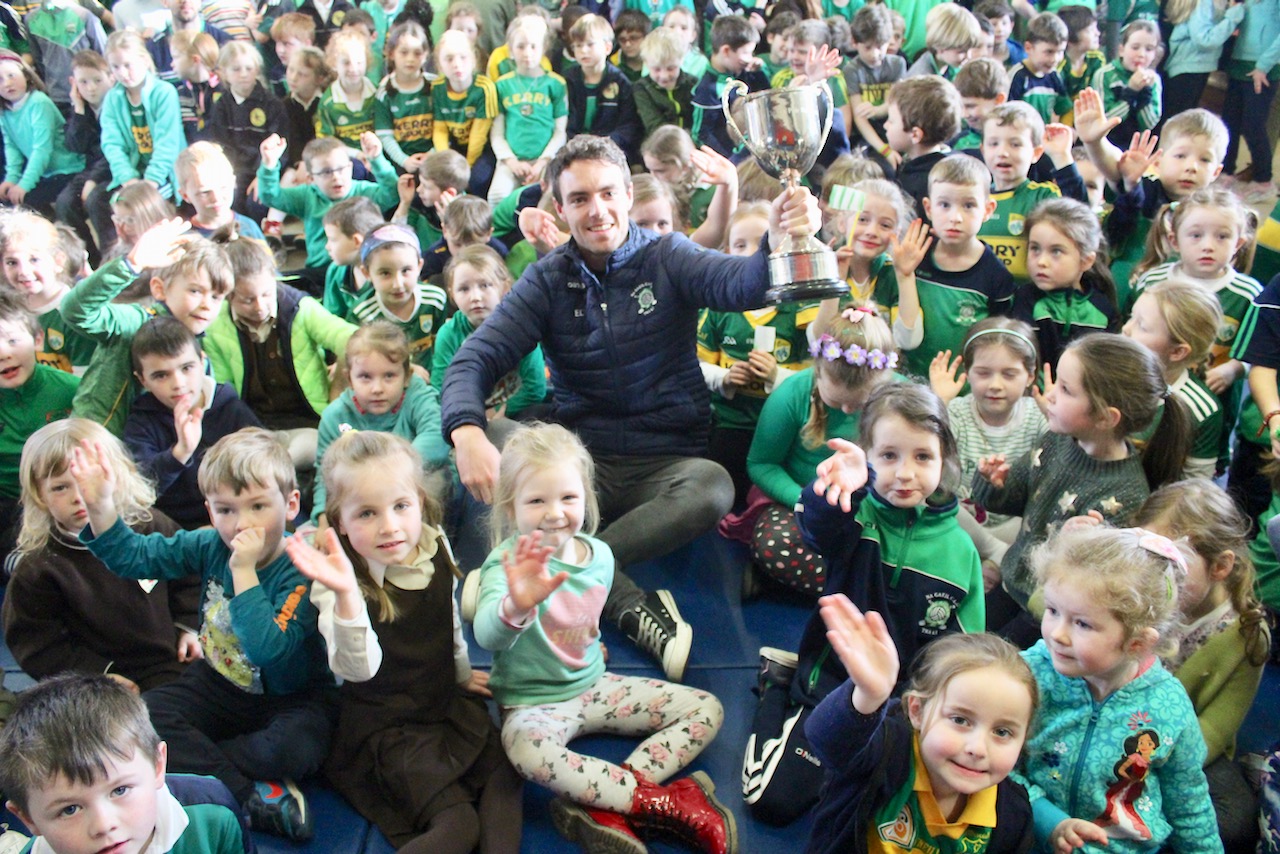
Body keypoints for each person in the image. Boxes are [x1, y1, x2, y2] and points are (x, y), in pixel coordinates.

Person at [441, 134, 821, 681]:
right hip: (579, 464)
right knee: (497, 431)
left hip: (662, 464)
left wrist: (777, 241)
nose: (596, 210)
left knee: (713, 486)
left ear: (627, 192)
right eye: (579, 199)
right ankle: (622, 598)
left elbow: (743, 285)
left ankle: (549, 568)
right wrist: (466, 433)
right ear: (560, 206)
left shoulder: (668, 256)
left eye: (607, 193)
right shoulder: (547, 279)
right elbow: (471, 361)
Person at [470, 423, 735, 854]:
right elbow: (487, 635)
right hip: (533, 704)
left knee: (707, 709)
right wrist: (516, 604)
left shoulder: (602, 556)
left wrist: (588, 645)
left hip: (594, 685)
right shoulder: (507, 565)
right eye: (537, 500)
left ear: (586, 498)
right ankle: (658, 802)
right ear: (510, 507)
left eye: (568, 498)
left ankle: (604, 805)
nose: (555, 513)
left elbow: (585, 617)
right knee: (525, 754)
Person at [69, 428, 338, 842]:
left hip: (292, 695)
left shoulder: (302, 565)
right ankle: (253, 794)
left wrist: (244, 571)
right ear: (210, 512)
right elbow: (136, 557)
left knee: (296, 748)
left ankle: (206, 762)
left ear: (291, 504)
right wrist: (101, 507)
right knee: (144, 718)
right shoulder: (209, 543)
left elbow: (268, 650)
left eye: (258, 506)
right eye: (226, 510)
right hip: (219, 683)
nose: (242, 523)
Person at [744, 381, 982, 825]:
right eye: (889, 456)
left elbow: (965, 649)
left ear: (944, 459)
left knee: (893, 818)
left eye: (922, 456)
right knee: (770, 802)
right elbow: (818, 525)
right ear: (867, 456)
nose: (905, 473)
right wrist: (839, 490)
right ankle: (778, 686)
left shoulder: (960, 551)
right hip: (831, 691)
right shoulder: (858, 516)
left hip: (902, 714)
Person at [284, 431, 523, 853]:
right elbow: (357, 670)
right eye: (367, 514)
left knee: (505, 775)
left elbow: (448, 622)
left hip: (441, 703)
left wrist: (462, 674)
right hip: (387, 728)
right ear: (340, 520)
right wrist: (346, 596)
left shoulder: (433, 546)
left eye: (400, 506)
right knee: (459, 825)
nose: (390, 526)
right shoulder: (338, 583)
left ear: (420, 501)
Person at [1013, 525, 1223, 854]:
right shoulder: (1027, 674)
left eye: (1082, 623)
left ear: (1137, 642)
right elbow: (995, 763)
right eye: (1053, 611)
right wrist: (1047, 818)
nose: (1057, 634)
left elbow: (1189, 803)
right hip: (1030, 836)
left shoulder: (1168, 704)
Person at [973, 333, 1192, 644]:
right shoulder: (1056, 440)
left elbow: (1088, 587)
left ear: (1105, 417)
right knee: (965, 639)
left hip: (1047, 613)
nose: (1050, 396)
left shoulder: (1126, 496)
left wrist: (1070, 546)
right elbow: (1014, 499)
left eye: (1065, 389)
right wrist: (992, 484)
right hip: (1012, 585)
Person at [804, 598, 1036, 854]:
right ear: (917, 711)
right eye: (960, 720)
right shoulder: (886, 752)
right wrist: (869, 696)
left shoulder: (1013, 815)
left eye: (1002, 732)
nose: (978, 748)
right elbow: (828, 742)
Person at [2, 418, 200, 692]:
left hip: (170, 662)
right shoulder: (38, 567)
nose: (80, 495)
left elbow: (193, 576)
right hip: (93, 683)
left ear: (118, 475)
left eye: (90, 480)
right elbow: (37, 644)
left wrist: (190, 627)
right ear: (39, 495)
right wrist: (98, 675)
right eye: (61, 487)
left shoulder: (151, 526)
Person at [1130, 479, 1270, 850]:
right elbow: (1044, 605)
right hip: (1119, 722)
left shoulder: (1246, 636)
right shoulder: (1141, 594)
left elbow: (1214, 729)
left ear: (1221, 566)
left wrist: (1150, 763)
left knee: (1235, 821)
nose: (1155, 574)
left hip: (1184, 750)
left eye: (1173, 564)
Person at [740, 310, 898, 595]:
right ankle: (863, 591)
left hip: (875, 510)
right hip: (802, 502)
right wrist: (804, 501)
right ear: (818, 371)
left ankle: (855, 586)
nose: (849, 411)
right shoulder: (792, 394)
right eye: (838, 402)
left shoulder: (902, 399)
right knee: (776, 543)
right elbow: (761, 464)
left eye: (861, 404)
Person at [0, 673, 246, 854]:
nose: (104, 825)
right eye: (70, 809)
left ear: (158, 764)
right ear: (27, 819)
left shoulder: (213, 812)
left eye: (120, 790)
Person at [61, 219, 231, 436]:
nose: (207, 305)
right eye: (195, 291)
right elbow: (75, 310)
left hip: (147, 454)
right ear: (159, 289)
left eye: (216, 297)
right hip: (94, 443)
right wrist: (131, 264)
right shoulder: (134, 322)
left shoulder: (199, 352)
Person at [1074, 99, 1228, 306]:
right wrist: (1095, 142)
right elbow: (1116, 167)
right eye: (1180, 155)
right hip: (1119, 295)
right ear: (1157, 161)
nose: (1191, 166)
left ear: (1217, 172)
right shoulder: (1144, 188)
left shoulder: (1215, 212)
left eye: (1205, 160)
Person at [123, 317, 262, 529]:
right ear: (143, 380)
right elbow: (141, 491)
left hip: (234, 518)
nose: (178, 384)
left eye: (186, 368)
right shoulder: (141, 421)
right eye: (161, 375)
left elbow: (264, 463)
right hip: (175, 528)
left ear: (202, 362)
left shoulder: (229, 406)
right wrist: (180, 453)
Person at [312, 322, 449, 523]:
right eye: (365, 377)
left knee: (432, 483)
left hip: (411, 484)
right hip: (361, 496)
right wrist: (322, 518)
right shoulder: (335, 416)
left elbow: (436, 435)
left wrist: (391, 470)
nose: (377, 388)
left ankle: (425, 547)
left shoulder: (417, 395)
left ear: (406, 376)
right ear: (349, 379)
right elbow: (325, 474)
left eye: (389, 376)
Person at [928, 317, 1046, 547]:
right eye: (983, 373)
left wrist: (1057, 419)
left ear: (1030, 376)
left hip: (1016, 531)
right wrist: (939, 403)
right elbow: (924, 452)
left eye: (1009, 374)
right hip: (959, 529)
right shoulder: (956, 412)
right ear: (967, 372)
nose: (995, 385)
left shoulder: (1038, 417)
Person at [894, 155, 1013, 379]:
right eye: (944, 205)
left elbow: (999, 343)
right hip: (909, 385)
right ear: (928, 208)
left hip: (966, 390)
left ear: (988, 209)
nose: (955, 217)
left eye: (968, 205)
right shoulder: (914, 256)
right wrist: (903, 273)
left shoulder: (997, 277)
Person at [0, 290, 79, 560]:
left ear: (37, 339)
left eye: (12, 340)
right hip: (7, 501)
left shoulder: (71, 389)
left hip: (64, 496)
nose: (3, 353)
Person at [1122, 280, 1224, 479]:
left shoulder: (1202, 410)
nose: (1126, 328)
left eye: (1141, 325)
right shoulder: (1103, 371)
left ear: (1177, 351)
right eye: (1130, 317)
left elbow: (1193, 488)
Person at [432, 244, 546, 421]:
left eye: (485, 285)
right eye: (464, 289)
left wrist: (499, 411)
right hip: (465, 414)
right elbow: (441, 388)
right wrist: (471, 416)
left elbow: (535, 388)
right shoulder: (449, 334)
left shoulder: (521, 328)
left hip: (514, 411)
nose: (475, 297)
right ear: (452, 294)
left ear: (505, 287)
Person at [1010, 197, 1119, 369]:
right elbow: (1022, 361)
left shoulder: (1103, 309)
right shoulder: (1025, 299)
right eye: (1035, 248)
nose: (1041, 261)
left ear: (1086, 261)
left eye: (1056, 251)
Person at [0, 210, 97, 375]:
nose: (23, 271)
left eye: (34, 259)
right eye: (12, 262)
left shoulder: (74, 314)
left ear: (58, 261)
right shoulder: (10, 309)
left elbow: (86, 381)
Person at [99, 31, 185, 204]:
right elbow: (112, 144)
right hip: (133, 172)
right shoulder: (112, 98)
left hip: (164, 173)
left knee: (144, 207)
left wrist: (150, 182)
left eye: (127, 65)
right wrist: (127, 178)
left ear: (144, 61)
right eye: (115, 67)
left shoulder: (164, 93)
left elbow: (167, 145)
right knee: (98, 201)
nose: (123, 73)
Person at [0, 50, 84, 216]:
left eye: (11, 75)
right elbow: (12, 148)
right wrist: (11, 178)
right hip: (44, 172)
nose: (7, 83)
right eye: (0, 80)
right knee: (7, 201)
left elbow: (42, 149)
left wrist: (24, 184)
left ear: (26, 75)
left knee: (25, 201)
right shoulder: (5, 112)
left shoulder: (38, 102)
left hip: (66, 170)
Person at [1090, 19, 1162, 146]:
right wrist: (1131, 91)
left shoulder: (1153, 80)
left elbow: (1148, 124)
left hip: (1134, 146)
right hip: (1105, 144)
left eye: (1149, 49)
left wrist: (1146, 90)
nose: (1141, 54)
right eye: (1135, 47)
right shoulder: (1104, 75)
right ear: (1121, 50)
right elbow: (1105, 120)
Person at [1007, 12, 1070, 125]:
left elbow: (1064, 108)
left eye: (1060, 52)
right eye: (1049, 52)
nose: (1055, 59)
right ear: (1028, 48)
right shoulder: (1018, 76)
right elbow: (1007, 114)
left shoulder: (1054, 76)